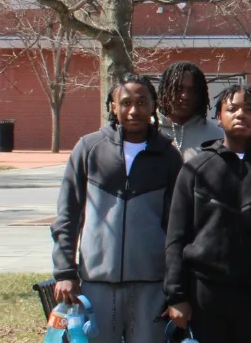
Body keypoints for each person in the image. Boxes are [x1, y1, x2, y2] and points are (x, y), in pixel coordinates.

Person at [164, 85, 251, 342]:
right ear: (219, 116)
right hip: (207, 296)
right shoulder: (195, 169)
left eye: (250, 109)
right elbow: (176, 237)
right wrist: (177, 296)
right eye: (232, 109)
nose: (241, 114)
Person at [51, 73, 184, 343]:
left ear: (153, 105)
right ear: (113, 106)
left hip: (151, 284)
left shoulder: (169, 155)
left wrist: (177, 286)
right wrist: (65, 271)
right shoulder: (89, 148)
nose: (134, 110)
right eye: (125, 102)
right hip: (96, 282)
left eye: (142, 102)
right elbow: (68, 214)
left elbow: (178, 227)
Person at [158, 61, 224, 162]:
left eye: (192, 91)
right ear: (165, 91)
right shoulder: (149, 131)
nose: (185, 96)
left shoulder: (217, 137)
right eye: (178, 89)